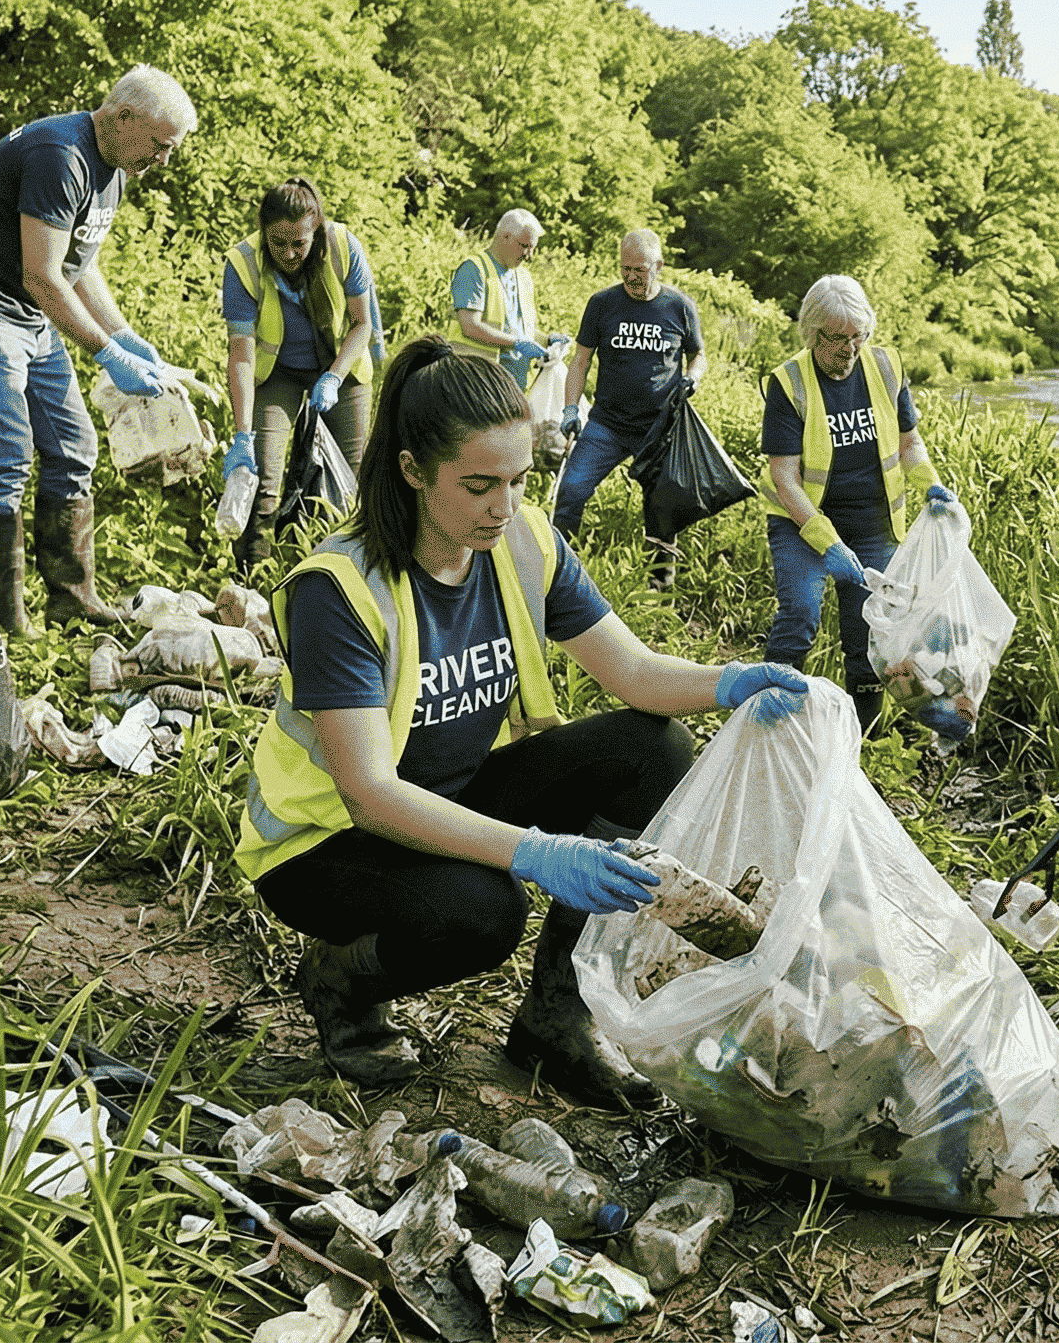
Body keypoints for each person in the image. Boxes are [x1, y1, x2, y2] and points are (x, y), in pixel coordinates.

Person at [239, 336, 809, 1095]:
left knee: (654, 748)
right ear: (412, 471)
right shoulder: (340, 590)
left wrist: (734, 681)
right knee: (483, 912)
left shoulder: (524, 542)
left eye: (517, 480)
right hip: (329, 845)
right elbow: (369, 793)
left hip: (451, 793)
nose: (504, 508)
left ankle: (553, 1021)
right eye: (479, 485)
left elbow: (634, 672)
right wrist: (538, 853)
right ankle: (341, 982)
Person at [0, 63, 196, 633]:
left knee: (74, 447)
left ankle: (72, 601)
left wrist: (124, 336)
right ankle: (3, 622)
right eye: (160, 146)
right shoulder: (60, 156)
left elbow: (79, 268)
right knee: (5, 455)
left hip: (29, 312)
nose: (164, 161)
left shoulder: (114, 167)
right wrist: (105, 354)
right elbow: (43, 276)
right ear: (122, 117)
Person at [758, 275, 954, 735]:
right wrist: (827, 543)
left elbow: (910, 443)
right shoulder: (790, 384)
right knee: (801, 616)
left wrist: (930, 485)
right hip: (800, 521)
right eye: (837, 339)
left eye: (858, 337)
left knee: (868, 636)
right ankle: (764, 717)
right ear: (811, 333)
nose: (850, 350)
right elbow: (784, 479)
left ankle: (862, 742)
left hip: (871, 525)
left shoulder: (886, 367)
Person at [222, 178, 378, 567]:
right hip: (279, 374)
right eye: (279, 243)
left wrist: (335, 377)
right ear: (263, 232)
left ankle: (340, 574)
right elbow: (241, 355)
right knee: (262, 481)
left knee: (349, 481)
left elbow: (363, 324)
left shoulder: (342, 246)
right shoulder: (243, 264)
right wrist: (243, 434)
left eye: (300, 244)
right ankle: (252, 580)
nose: (289, 254)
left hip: (341, 369)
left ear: (316, 231)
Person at [552, 229, 703, 571]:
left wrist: (692, 379)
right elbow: (581, 361)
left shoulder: (679, 306)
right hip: (607, 424)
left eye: (640, 269)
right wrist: (571, 409)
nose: (632, 277)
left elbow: (699, 356)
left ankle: (659, 584)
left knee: (662, 509)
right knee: (571, 490)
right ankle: (561, 571)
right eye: (625, 269)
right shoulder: (602, 304)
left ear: (659, 265)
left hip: (659, 428)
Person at [452, 209, 563, 390]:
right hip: (476, 384)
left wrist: (548, 341)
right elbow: (470, 326)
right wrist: (516, 343)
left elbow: (518, 331)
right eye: (525, 246)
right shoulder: (473, 270)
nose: (530, 255)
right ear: (504, 237)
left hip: (514, 387)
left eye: (533, 248)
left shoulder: (524, 277)